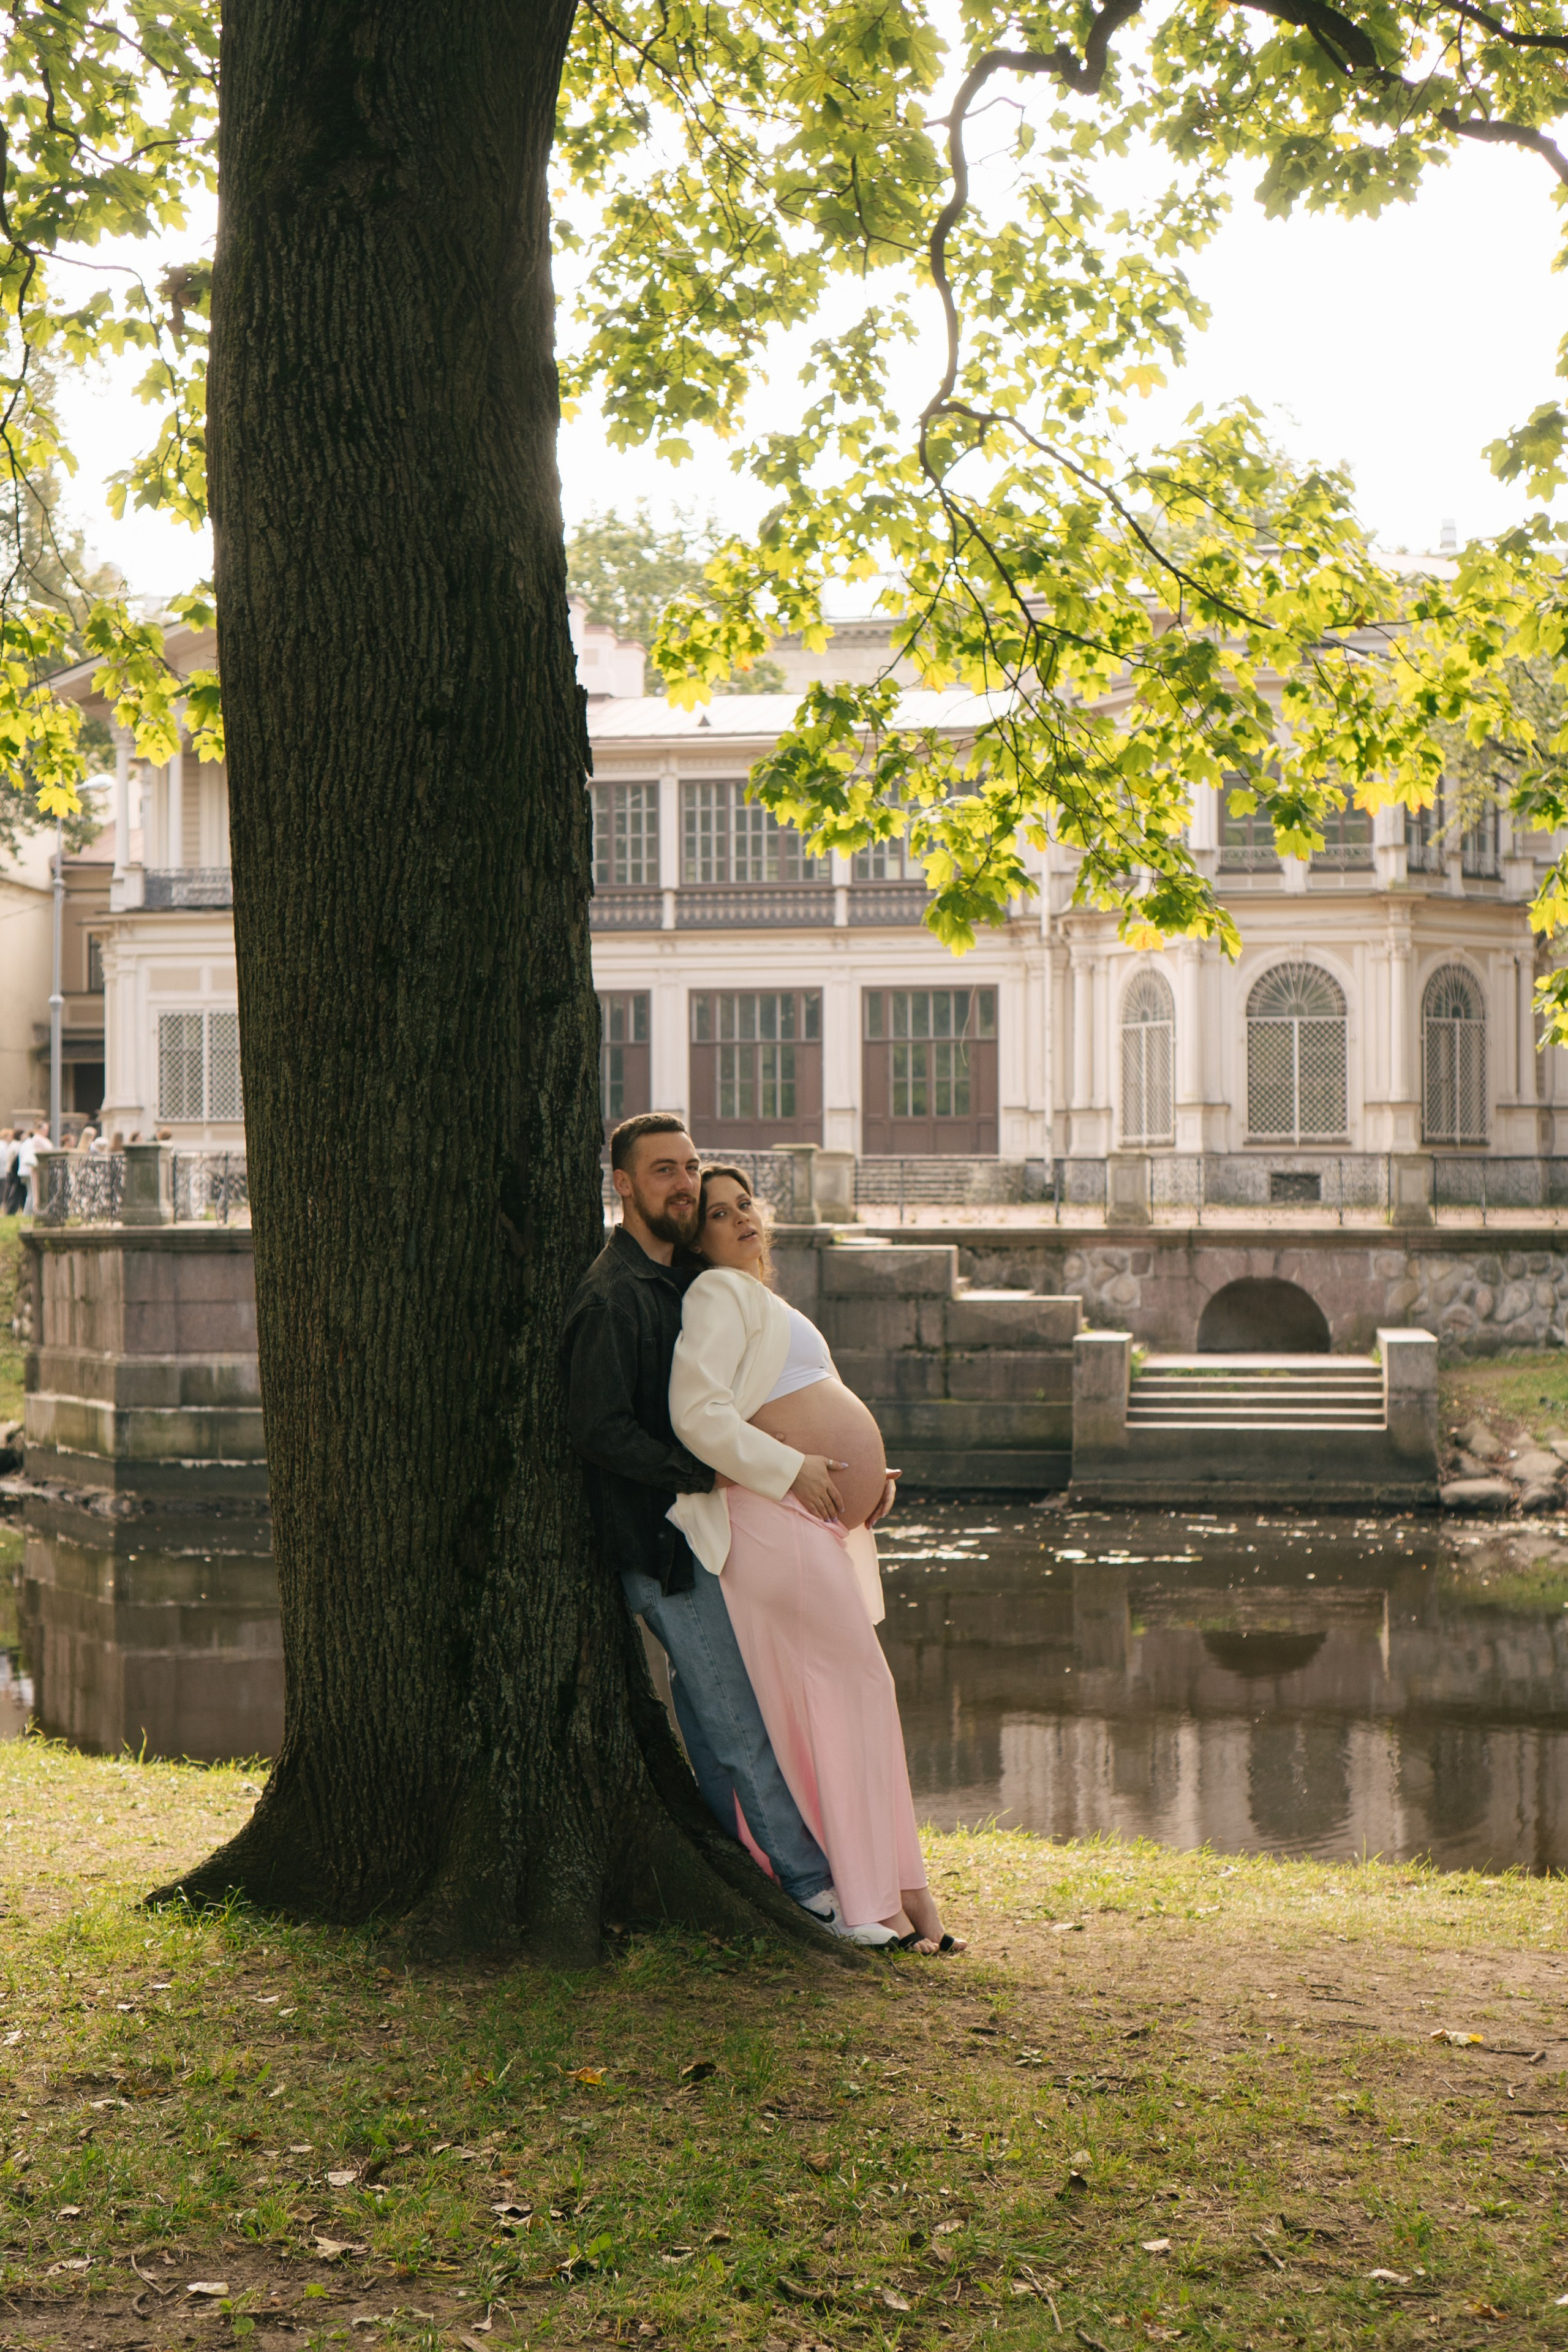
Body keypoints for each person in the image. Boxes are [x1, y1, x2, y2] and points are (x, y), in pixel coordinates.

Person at [561, 1113, 854, 1937]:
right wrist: (704, 1470)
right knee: (735, 1720)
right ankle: (812, 1890)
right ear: (623, 1185)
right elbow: (597, 1428)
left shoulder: (687, 1279)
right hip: (661, 1549)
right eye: (664, 1170)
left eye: (690, 1167)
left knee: (708, 1713)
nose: (685, 1183)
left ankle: (741, 1862)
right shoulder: (612, 1295)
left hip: (713, 1536)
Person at [667, 1164, 963, 1954]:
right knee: (844, 1693)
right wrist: (795, 1467)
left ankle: (906, 1895)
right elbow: (697, 1414)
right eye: (719, 1214)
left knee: (848, 1694)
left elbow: (798, 1399)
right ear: (697, 1242)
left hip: (809, 1520)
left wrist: (870, 1480)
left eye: (745, 1205)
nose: (741, 1219)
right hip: (770, 1519)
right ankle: (870, 1898)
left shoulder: (764, 1302)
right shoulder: (715, 1294)